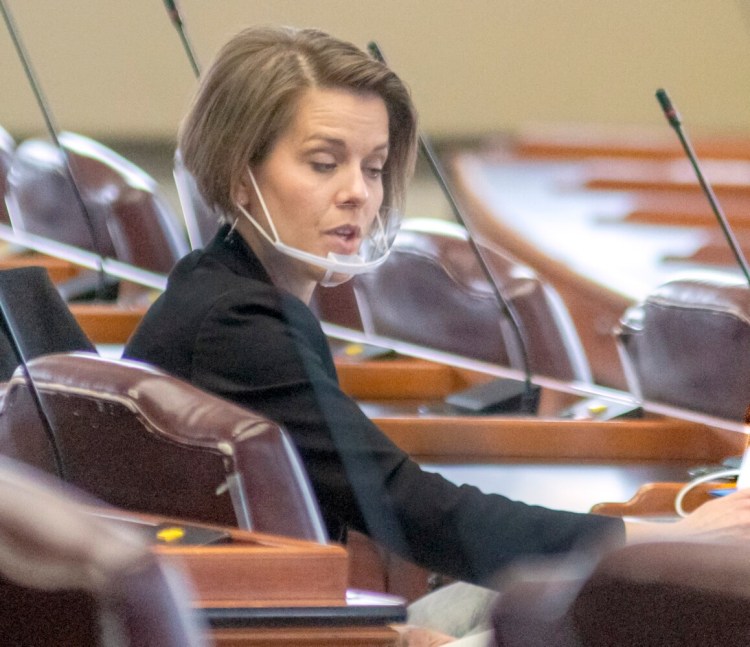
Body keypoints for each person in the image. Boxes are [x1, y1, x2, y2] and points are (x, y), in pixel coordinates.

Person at [124, 25, 750, 644]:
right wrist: (677, 536)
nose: (357, 194)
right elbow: (411, 510)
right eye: (323, 164)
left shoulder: (214, 288)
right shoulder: (238, 327)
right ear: (240, 175)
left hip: (284, 613)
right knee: (632, 611)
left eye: (373, 168)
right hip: (285, 629)